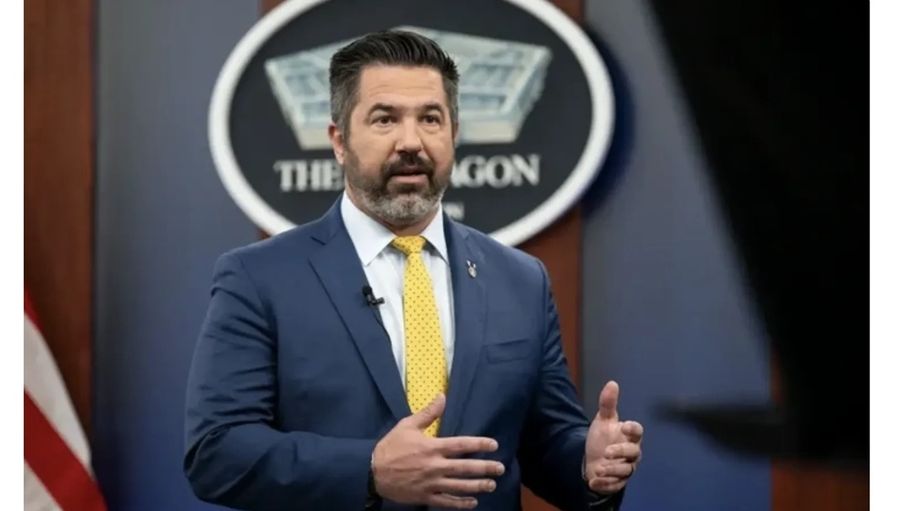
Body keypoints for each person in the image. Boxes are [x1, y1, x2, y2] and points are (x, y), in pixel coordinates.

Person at [184, 30, 643, 510]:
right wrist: (368, 470)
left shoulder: (521, 280)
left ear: (454, 134)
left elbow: (546, 440)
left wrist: (589, 466)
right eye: (385, 119)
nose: (411, 142)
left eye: (430, 118)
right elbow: (217, 451)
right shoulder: (260, 278)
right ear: (339, 141)